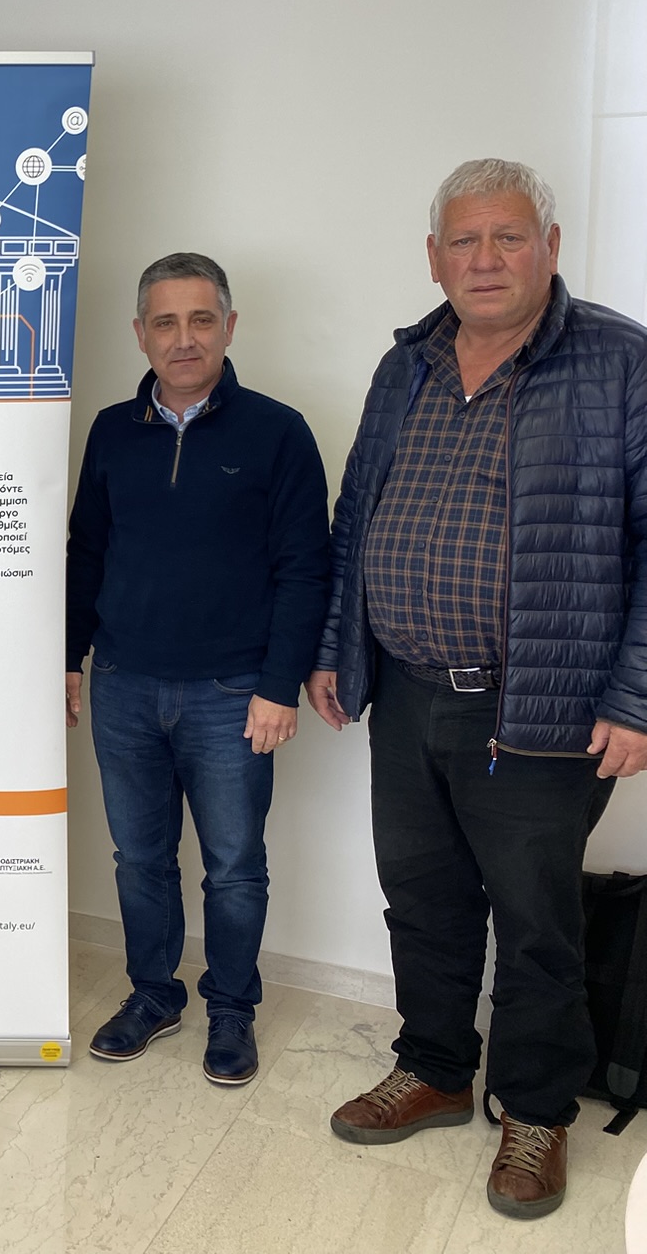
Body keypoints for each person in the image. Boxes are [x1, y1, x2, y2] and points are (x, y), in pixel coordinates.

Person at [308, 158, 647, 1220]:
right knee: (423, 898)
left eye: (508, 237)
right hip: (408, 693)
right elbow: (356, 516)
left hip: (537, 707)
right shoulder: (403, 364)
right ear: (433, 257)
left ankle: (535, 1110)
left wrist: (636, 699)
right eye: (464, 240)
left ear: (550, 247)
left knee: (536, 922)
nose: (485, 259)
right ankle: (435, 1068)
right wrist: (334, 648)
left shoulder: (619, 361)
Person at [66, 252, 330, 1087]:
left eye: (201, 320)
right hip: (124, 685)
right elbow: (87, 551)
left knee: (234, 866)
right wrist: (70, 656)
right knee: (138, 860)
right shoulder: (112, 430)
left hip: (231, 694)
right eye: (166, 322)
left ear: (229, 327)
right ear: (141, 334)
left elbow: (305, 569)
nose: (184, 339)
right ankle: (154, 994)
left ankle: (231, 1009)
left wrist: (278, 686)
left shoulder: (278, 432)